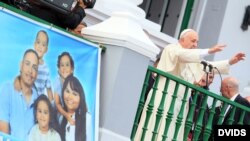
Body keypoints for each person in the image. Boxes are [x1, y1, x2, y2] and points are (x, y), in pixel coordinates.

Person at [134, 29, 246, 141]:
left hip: (181, 105)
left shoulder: (192, 58)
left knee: (171, 135)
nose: (195, 45)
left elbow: (209, 66)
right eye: (193, 41)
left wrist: (230, 62)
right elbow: (183, 55)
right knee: (155, 132)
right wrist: (209, 51)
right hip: (164, 100)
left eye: (197, 42)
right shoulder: (172, 49)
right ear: (182, 39)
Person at [0, 49, 39, 140]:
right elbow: (3, 131)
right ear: (21, 65)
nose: (30, 71)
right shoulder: (7, 90)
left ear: (37, 73)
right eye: (27, 64)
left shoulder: (38, 100)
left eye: (34, 67)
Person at [14, 30, 53, 101]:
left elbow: (49, 89)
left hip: (38, 103)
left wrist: (51, 107)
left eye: (43, 45)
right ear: (34, 44)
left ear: (46, 49)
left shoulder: (46, 69)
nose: (40, 46)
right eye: (38, 42)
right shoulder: (28, 61)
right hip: (25, 98)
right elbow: (20, 77)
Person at [60, 74, 87, 141]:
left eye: (74, 94)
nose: (70, 97)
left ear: (81, 98)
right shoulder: (61, 118)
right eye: (67, 91)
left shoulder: (87, 118)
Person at [54, 52, 75, 124]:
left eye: (67, 65)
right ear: (59, 69)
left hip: (71, 108)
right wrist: (66, 115)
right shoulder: (57, 81)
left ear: (72, 69)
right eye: (62, 65)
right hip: (60, 110)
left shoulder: (74, 82)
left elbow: (80, 99)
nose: (64, 68)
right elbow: (57, 103)